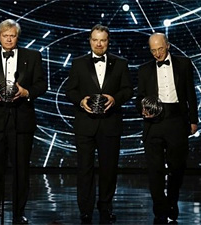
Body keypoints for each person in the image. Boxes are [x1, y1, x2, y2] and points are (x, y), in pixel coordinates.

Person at [0, 19, 47, 224]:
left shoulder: (32, 57)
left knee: (21, 168)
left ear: (17, 37)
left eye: (12, 35)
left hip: (22, 119)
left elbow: (42, 84)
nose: (8, 38)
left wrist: (26, 92)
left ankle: (18, 212)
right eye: (5, 35)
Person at [65, 24, 133, 224]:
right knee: (84, 168)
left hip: (110, 124)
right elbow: (70, 90)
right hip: (85, 124)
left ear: (108, 41)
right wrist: (81, 100)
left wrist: (115, 98)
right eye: (95, 40)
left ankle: (105, 207)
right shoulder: (78, 63)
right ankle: (85, 210)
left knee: (109, 169)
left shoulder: (120, 63)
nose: (99, 43)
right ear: (90, 41)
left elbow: (128, 90)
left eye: (102, 40)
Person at [136, 33, 198, 224]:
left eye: (160, 49)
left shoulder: (184, 64)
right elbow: (140, 97)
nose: (157, 53)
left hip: (176, 120)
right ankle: (160, 208)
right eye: (153, 50)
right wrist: (143, 110)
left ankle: (172, 201)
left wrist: (193, 120)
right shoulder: (144, 70)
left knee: (177, 166)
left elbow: (190, 93)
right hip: (153, 122)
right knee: (154, 169)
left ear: (168, 46)